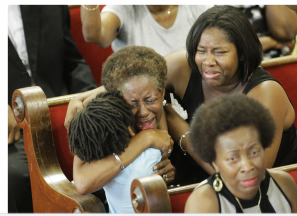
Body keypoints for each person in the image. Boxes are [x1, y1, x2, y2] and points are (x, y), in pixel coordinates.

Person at [163, 5, 297, 184]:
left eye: (220, 52)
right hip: (199, 183)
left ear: (241, 53)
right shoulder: (181, 67)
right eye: (201, 51)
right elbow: (127, 90)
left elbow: (247, 178)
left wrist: (184, 135)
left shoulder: (266, 92)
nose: (208, 61)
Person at [8, 5, 97, 212]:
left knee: (103, 152)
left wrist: (93, 103)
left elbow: (73, 64)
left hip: (59, 113)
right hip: (12, 130)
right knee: (14, 177)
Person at [71, 46, 174, 197]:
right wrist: (146, 138)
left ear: (162, 93)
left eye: (151, 100)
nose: (144, 112)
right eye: (132, 104)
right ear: (117, 101)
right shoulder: (103, 121)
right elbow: (82, 183)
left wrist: (168, 173)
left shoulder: (155, 98)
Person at [185, 94, 297, 213]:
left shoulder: (285, 185)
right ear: (215, 163)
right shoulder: (203, 203)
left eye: (254, 152)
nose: (247, 167)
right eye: (232, 158)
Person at [69, 91, 161, 213]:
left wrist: (78, 100)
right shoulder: (150, 154)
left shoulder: (101, 173)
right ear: (128, 127)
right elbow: (165, 136)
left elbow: (83, 149)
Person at [80, 5, 212, 56]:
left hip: (190, 89)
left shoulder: (195, 6)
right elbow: (93, 36)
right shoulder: (123, 7)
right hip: (141, 97)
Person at [232, 5, 297, 59]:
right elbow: (228, 50)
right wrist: (272, 42)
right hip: (240, 71)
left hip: (280, 66)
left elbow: (288, 33)